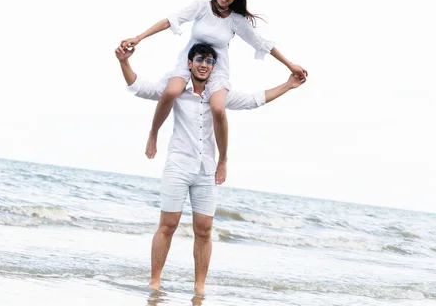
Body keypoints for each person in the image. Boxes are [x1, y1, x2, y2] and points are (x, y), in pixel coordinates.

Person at [115, 42, 306, 294]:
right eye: (200, 59)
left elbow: (254, 100)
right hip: (179, 166)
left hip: (207, 170)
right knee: (167, 225)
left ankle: (200, 288)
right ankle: (155, 282)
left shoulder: (219, 96)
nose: (204, 64)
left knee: (204, 230)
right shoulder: (176, 91)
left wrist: (288, 85)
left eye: (209, 61)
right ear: (190, 63)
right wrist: (124, 62)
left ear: (213, 67)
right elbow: (139, 87)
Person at [120, 0, 307, 186]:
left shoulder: (236, 21)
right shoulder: (201, 7)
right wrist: (138, 38)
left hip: (216, 69)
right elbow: (170, 21)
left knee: (218, 108)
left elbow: (261, 42)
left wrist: (290, 65)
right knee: (171, 92)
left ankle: (223, 159)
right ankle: (153, 134)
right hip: (189, 62)